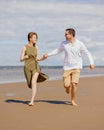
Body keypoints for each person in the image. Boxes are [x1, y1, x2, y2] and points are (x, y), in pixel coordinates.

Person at [44, 28, 95, 106]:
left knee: (74, 84)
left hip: (76, 67)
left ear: (71, 35)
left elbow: (87, 53)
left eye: (66, 34)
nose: (65, 35)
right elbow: (57, 50)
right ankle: (67, 88)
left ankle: (72, 100)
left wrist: (91, 63)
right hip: (67, 67)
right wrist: (48, 54)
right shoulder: (64, 43)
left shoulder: (80, 44)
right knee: (66, 85)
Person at [20, 32, 49, 106]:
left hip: (36, 67)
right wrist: (24, 58)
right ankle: (32, 98)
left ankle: (32, 101)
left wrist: (43, 58)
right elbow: (20, 59)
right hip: (27, 67)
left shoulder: (36, 47)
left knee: (33, 82)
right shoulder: (25, 47)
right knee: (30, 84)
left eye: (36, 37)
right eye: (34, 37)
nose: (36, 39)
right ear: (30, 38)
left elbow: (37, 58)